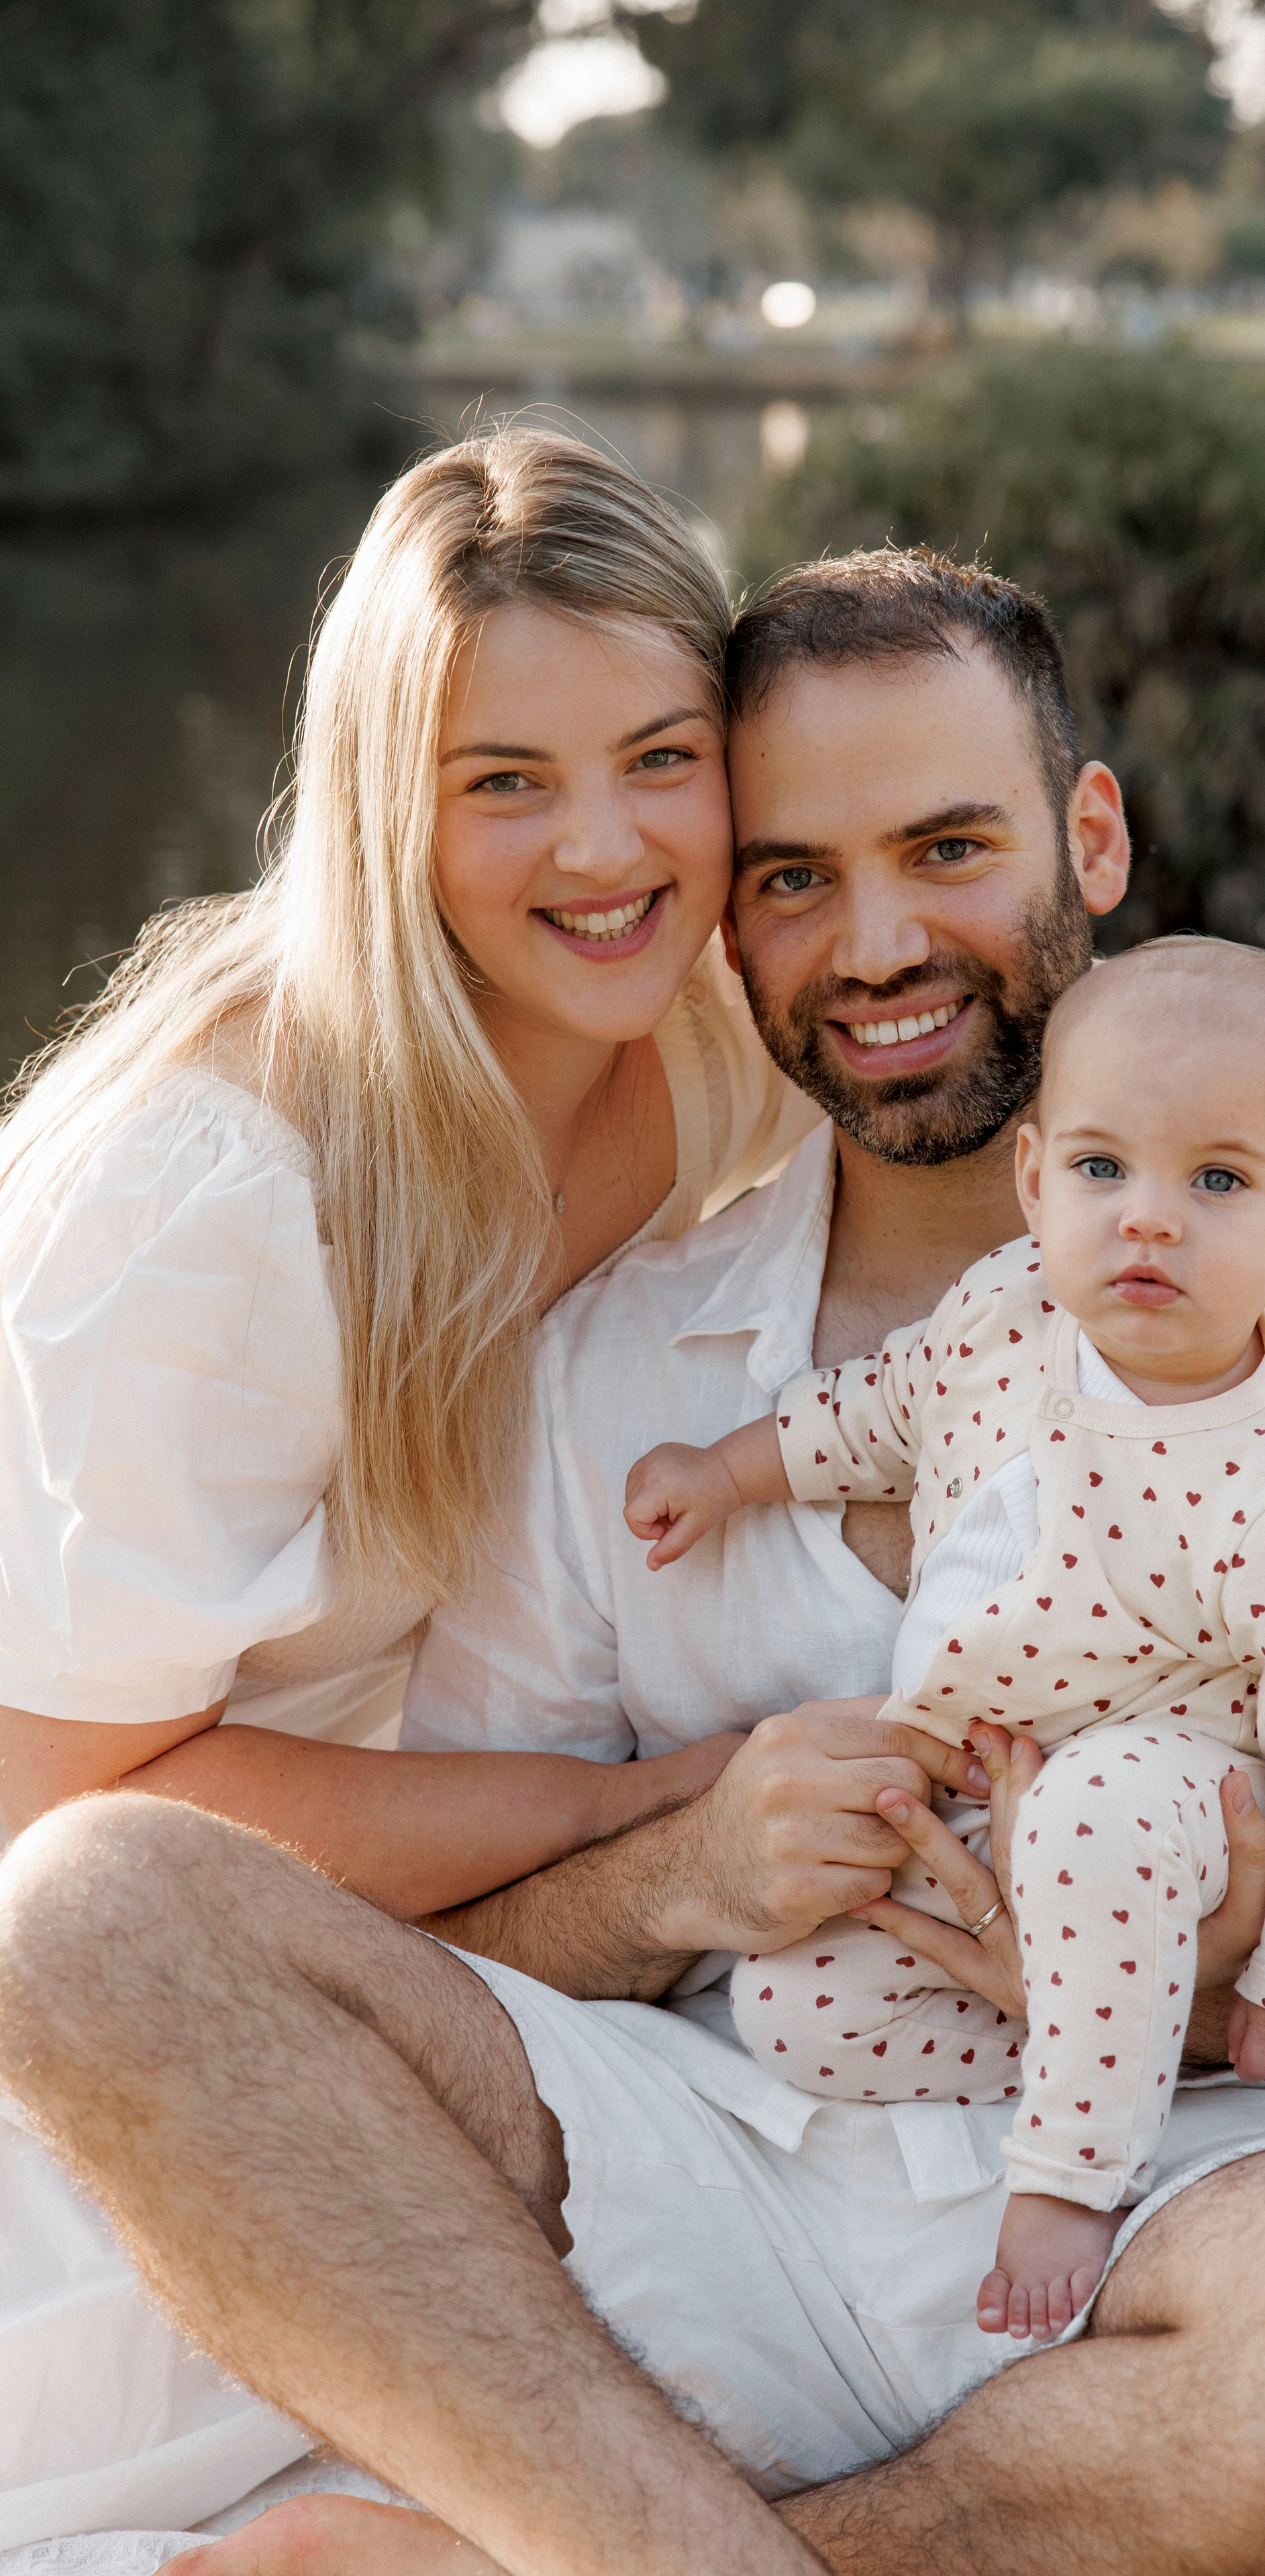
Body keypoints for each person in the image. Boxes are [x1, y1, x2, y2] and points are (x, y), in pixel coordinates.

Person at [0, 550, 1265, 2574]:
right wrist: (678, 1871)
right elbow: (480, 1953)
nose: (877, 947)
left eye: (949, 848)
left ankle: (607, 2544)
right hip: (694, 2162)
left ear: (1092, 837)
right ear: (721, 924)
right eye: (792, 877)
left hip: (1177, 2176)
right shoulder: (611, 1355)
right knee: (89, 1911)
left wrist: (1206, 1985)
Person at [0, 422, 821, 2543]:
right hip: (103, 1968)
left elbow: (1092, 1080)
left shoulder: (702, 1024)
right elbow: (70, 1814)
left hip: (432, 1908)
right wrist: (634, 1803)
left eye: (661, 758)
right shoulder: (217, 1190)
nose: (605, 848)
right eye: (504, 783)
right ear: (386, 804)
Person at [627, 938, 1265, 2339]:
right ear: (1036, 1181)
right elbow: (877, 1410)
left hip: (1170, 1789)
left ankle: (1070, 2180)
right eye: (1104, 1169)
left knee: (1092, 1815)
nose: (1148, 1221)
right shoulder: (1002, 1313)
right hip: (985, 1792)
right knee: (794, 2006)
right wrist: (727, 1473)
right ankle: (1118, 2057)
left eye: (1217, 1182)